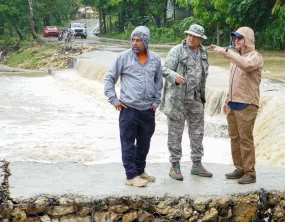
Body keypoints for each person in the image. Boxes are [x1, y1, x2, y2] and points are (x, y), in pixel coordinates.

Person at [104, 26, 163, 187]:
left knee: (144, 143)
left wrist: (156, 102)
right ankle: (130, 176)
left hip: (148, 110)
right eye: (133, 39)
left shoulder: (155, 59)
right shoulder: (123, 57)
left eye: (139, 40)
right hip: (128, 109)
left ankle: (140, 170)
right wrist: (114, 100)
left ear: (146, 42)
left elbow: (158, 82)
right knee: (128, 144)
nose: (134, 43)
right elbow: (109, 79)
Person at [211, 26, 263, 184]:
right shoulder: (235, 58)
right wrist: (227, 100)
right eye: (235, 38)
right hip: (233, 104)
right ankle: (239, 168)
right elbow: (233, 83)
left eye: (239, 38)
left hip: (247, 104)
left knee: (245, 139)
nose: (236, 40)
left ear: (247, 40)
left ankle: (250, 172)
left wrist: (227, 53)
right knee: (234, 138)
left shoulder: (255, 56)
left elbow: (246, 66)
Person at [161, 24, 212, 181]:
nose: (191, 38)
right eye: (189, 35)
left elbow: (204, 75)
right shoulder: (177, 50)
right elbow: (163, 69)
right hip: (178, 99)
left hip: (196, 99)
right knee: (175, 133)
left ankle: (197, 164)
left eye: (195, 36)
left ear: (200, 39)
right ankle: (174, 165)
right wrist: (174, 76)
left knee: (197, 132)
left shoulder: (203, 53)